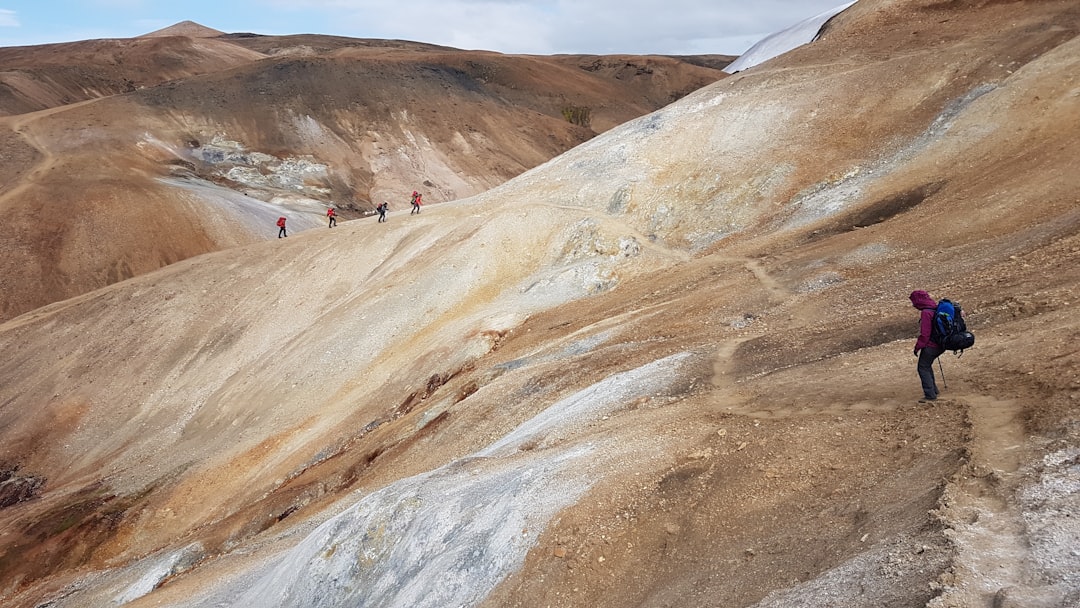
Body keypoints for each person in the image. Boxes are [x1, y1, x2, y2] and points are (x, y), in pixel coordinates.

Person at [910, 290, 942, 402]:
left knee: (922, 367)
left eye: (914, 302)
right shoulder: (936, 307)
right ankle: (934, 390)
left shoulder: (926, 312)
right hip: (940, 344)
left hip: (931, 345)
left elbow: (925, 334)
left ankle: (930, 395)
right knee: (926, 365)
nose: (913, 305)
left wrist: (917, 347)